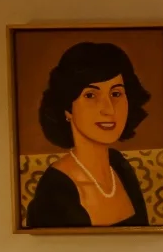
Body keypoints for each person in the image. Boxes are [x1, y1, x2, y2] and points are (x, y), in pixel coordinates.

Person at [23, 42, 152, 228]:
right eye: (91, 95)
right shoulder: (54, 190)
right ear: (67, 108)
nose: (109, 109)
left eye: (116, 93)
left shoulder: (119, 165)